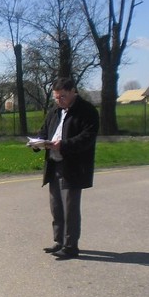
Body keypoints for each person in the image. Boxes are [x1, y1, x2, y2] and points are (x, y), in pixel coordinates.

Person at [31, 77, 99, 260]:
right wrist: (38, 143)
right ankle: (59, 241)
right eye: (56, 97)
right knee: (56, 206)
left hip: (73, 166)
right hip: (53, 164)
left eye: (62, 96)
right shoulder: (54, 111)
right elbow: (44, 131)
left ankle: (71, 246)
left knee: (70, 207)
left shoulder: (87, 111)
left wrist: (64, 145)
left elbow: (87, 137)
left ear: (73, 92)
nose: (59, 100)